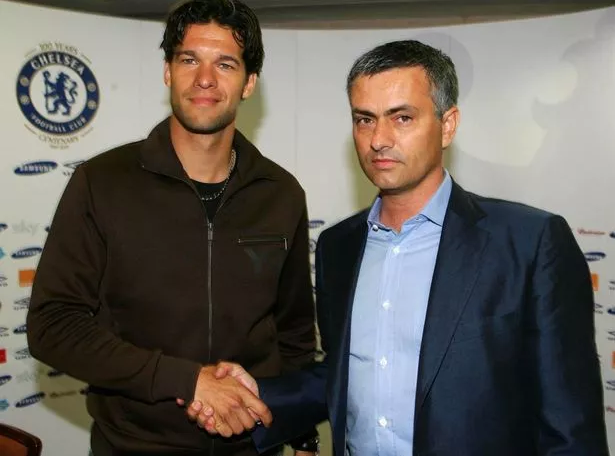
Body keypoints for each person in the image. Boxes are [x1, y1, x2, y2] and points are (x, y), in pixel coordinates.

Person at [197, 39, 609, 456]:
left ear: (447, 125)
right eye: (364, 120)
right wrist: (259, 393)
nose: (378, 139)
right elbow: (348, 376)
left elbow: (571, 427)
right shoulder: (338, 248)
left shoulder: (529, 242)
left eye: (402, 118)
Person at [26, 0, 318, 455]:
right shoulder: (102, 183)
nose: (205, 78)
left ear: (250, 82)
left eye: (225, 63)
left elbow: (294, 334)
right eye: (189, 59)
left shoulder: (281, 194)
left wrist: (298, 429)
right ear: (168, 71)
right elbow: (53, 326)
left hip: (251, 446)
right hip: (132, 446)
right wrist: (188, 381)